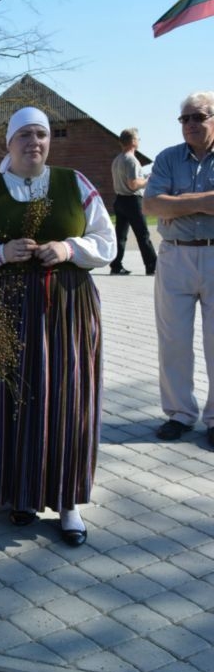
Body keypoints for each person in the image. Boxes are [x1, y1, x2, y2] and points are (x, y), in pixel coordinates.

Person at [0, 107, 116, 549]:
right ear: (9, 143)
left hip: (66, 307)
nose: (34, 142)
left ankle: (68, 503)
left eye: (41, 134)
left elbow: (107, 241)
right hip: (3, 309)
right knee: (11, 400)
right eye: (25, 135)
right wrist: (1, 253)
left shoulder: (74, 183)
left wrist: (67, 247)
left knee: (66, 398)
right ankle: (18, 493)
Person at [143, 91, 214, 446]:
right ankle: (180, 413)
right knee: (173, 340)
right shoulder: (167, 158)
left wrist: (179, 202)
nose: (190, 124)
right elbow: (153, 205)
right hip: (175, 256)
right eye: (184, 119)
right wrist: (204, 201)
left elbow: (167, 204)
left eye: (198, 117)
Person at [110, 128, 158, 275]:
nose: (139, 141)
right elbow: (133, 184)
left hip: (119, 200)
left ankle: (116, 265)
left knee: (120, 236)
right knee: (143, 235)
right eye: (138, 138)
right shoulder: (131, 160)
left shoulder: (117, 160)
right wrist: (147, 180)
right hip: (133, 201)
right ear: (133, 141)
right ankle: (152, 266)